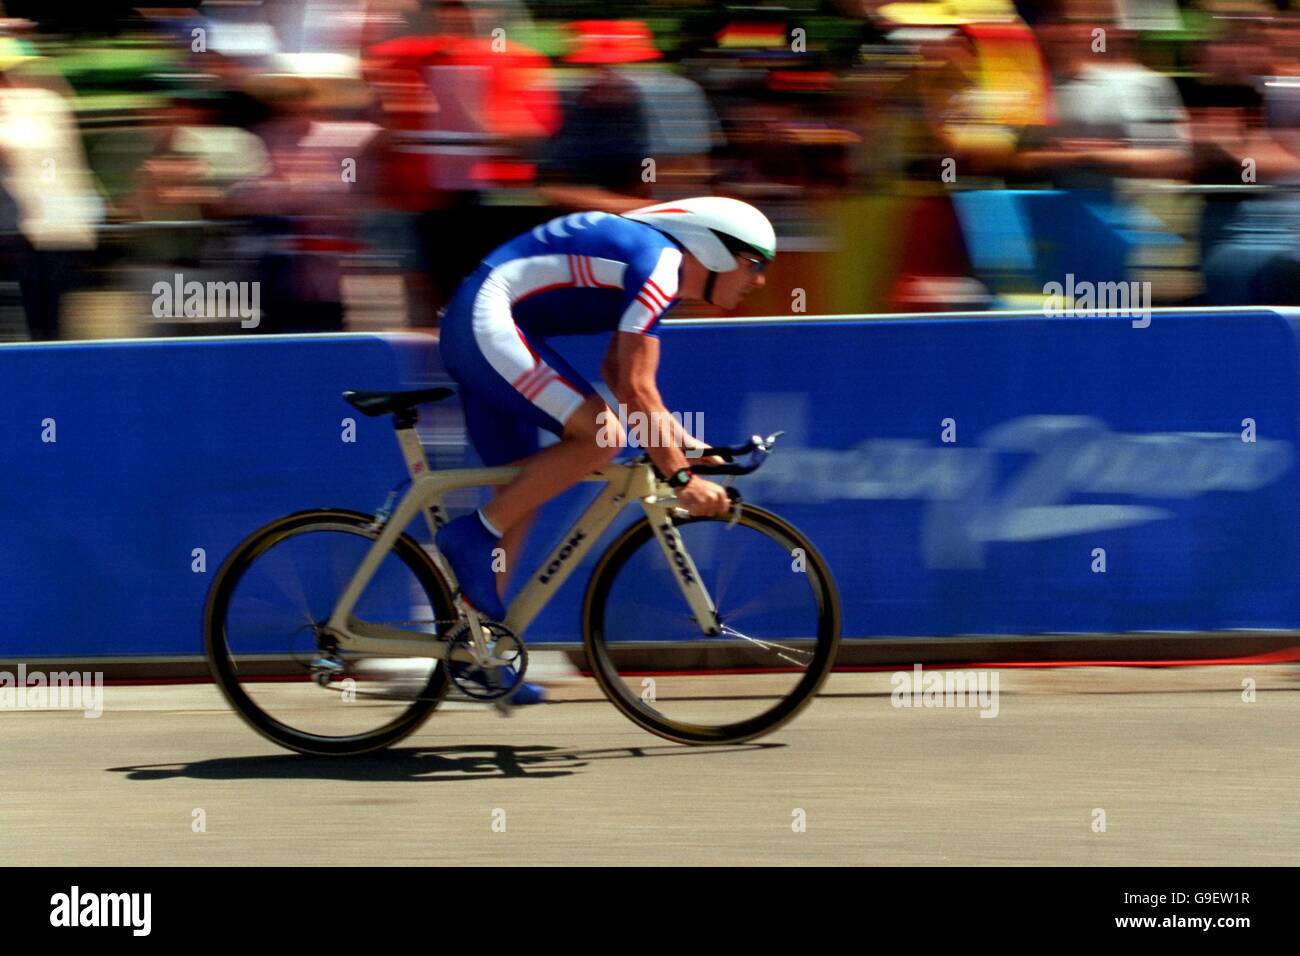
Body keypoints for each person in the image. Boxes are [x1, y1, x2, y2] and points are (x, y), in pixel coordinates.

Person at [434, 196, 775, 625]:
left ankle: (478, 654)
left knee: (519, 495)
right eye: (755, 264)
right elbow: (635, 388)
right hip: (485, 323)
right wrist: (682, 478)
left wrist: (684, 446)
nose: (759, 281)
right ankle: (472, 535)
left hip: (485, 325)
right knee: (603, 435)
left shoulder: (658, 268)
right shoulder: (659, 266)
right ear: (714, 250)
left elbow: (616, 371)